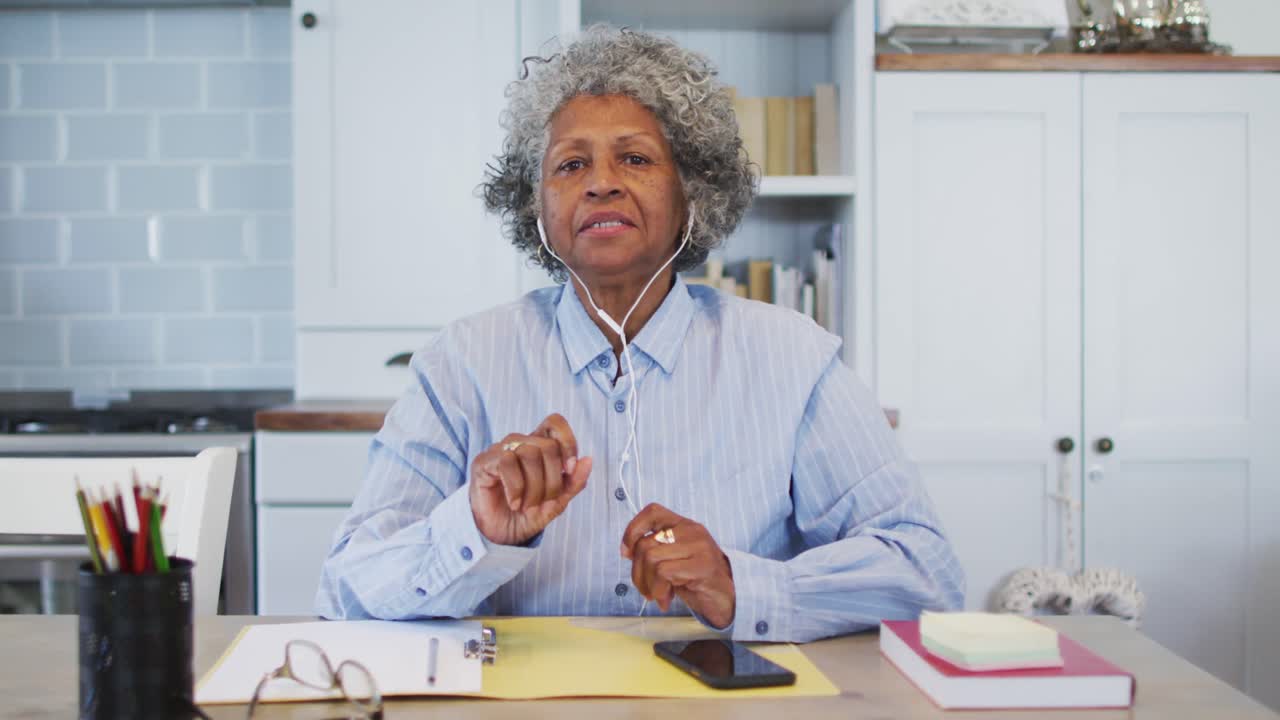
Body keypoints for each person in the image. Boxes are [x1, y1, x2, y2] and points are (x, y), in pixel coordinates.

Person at [316, 26, 964, 641]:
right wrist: (475, 532)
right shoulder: (460, 364)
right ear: (534, 205)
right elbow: (347, 590)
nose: (601, 182)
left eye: (634, 157)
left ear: (693, 194)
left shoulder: (792, 357)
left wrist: (741, 586)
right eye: (570, 165)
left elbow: (926, 573)